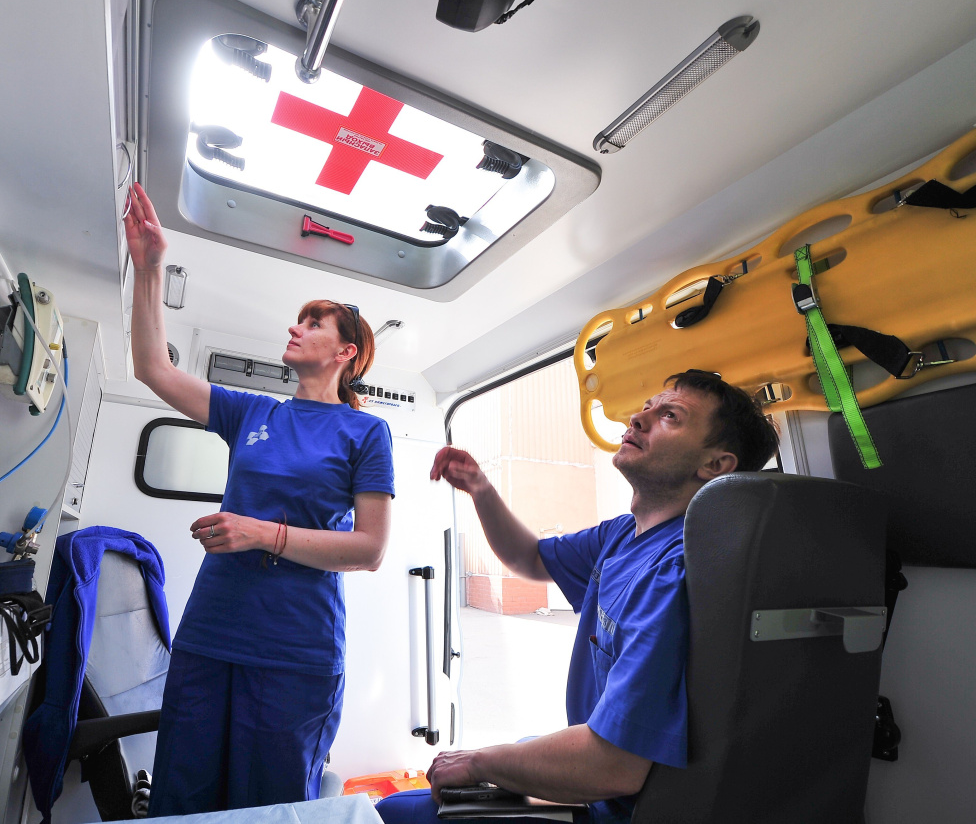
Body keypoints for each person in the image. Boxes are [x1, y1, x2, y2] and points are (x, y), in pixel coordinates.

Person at [377, 370, 780, 824]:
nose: (638, 418)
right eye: (647, 406)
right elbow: (530, 558)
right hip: (599, 781)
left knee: (395, 812)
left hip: (620, 806)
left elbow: (614, 765)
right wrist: (481, 488)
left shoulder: (674, 570)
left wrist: (478, 762)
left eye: (670, 416)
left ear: (715, 465)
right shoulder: (623, 534)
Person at [123, 183, 395, 815]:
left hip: (297, 648)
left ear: (346, 353)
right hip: (212, 631)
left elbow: (370, 549)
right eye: (300, 319)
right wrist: (150, 266)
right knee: (182, 798)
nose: (296, 328)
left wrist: (260, 533)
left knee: (273, 808)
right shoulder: (252, 412)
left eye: (314, 323)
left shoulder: (365, 432)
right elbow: (153, 369)